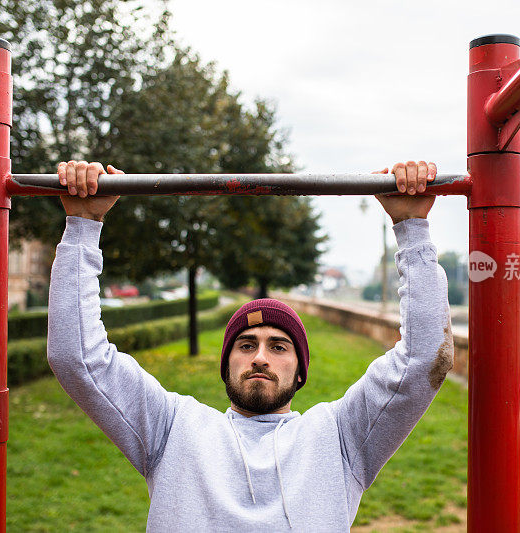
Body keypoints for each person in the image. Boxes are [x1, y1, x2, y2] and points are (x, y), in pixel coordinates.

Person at [47, 159, 454, 532]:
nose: (260, 357)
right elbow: (79, 358)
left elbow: (423, 359)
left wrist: (412, 227)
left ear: (300, 372)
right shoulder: (171, 427)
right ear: (225, 365)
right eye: (245, 345)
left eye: (279, 347)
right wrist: (84, 224)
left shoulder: (341, 437)